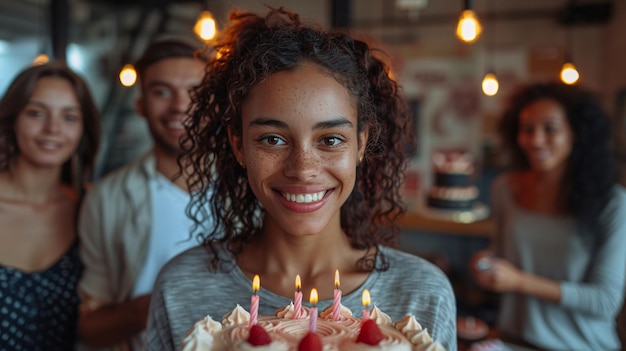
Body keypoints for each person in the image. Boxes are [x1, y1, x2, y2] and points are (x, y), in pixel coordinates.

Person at [144, 7, 457, 351]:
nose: (303, 168)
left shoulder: (421, 293)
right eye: (272, 139)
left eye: (331, 139)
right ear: (238, 146)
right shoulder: (181, 287)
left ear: (361, 144)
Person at [469, 82, 626, 350]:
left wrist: (518, 281)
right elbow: (502, 252)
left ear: (576, 133)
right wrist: (485, 262)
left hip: (582, 346)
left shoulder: (613, 204)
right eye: (527, 129)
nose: (535, 140)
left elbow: (605, 301)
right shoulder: (505, 189)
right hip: (513, 340)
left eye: (550, 129)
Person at [77, 38, 207, 350]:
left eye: (195, 92)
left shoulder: (249, 188)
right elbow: (90, 329)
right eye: (162, 91)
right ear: (140, 104)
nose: (179, 105)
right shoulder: (107, 198)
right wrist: (140, 310)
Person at [0, 62, 101, 349]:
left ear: (83, 128)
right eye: (36, 113)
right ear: (12, 119)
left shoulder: (91, 208)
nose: (53, 129)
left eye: (69, 117)